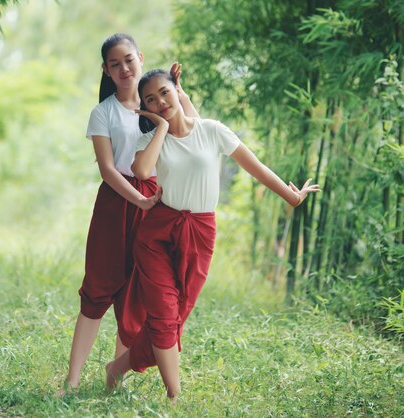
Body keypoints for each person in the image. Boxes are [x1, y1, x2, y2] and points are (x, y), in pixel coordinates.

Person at [104, 69, 321, 402]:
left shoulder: (212, 131)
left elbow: (257, 167)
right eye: (151, 99)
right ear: (144, 106)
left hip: (200, 233)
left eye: (165, 92)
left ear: (178, 91)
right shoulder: (151, 139)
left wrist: (292, 197)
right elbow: (143, 172)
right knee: (163, 315)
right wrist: (161, 127)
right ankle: (174, 396)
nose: (160, 102)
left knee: (175, 318)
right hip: (158, 233)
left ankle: (117, 367)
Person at [62, 35, 200, 393]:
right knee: (97, 290)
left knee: (137, 295)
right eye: (114, 64)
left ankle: (115, 381)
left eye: (128, 60)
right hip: (116, 204)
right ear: (106, 70)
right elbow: (107, 169)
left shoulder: (160, 102)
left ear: (140, 58)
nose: (123, 69)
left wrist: (179, 91)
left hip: (159, 203)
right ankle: (72, 380)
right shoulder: (103, 112)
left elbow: (193, 131)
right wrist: (139, 202)